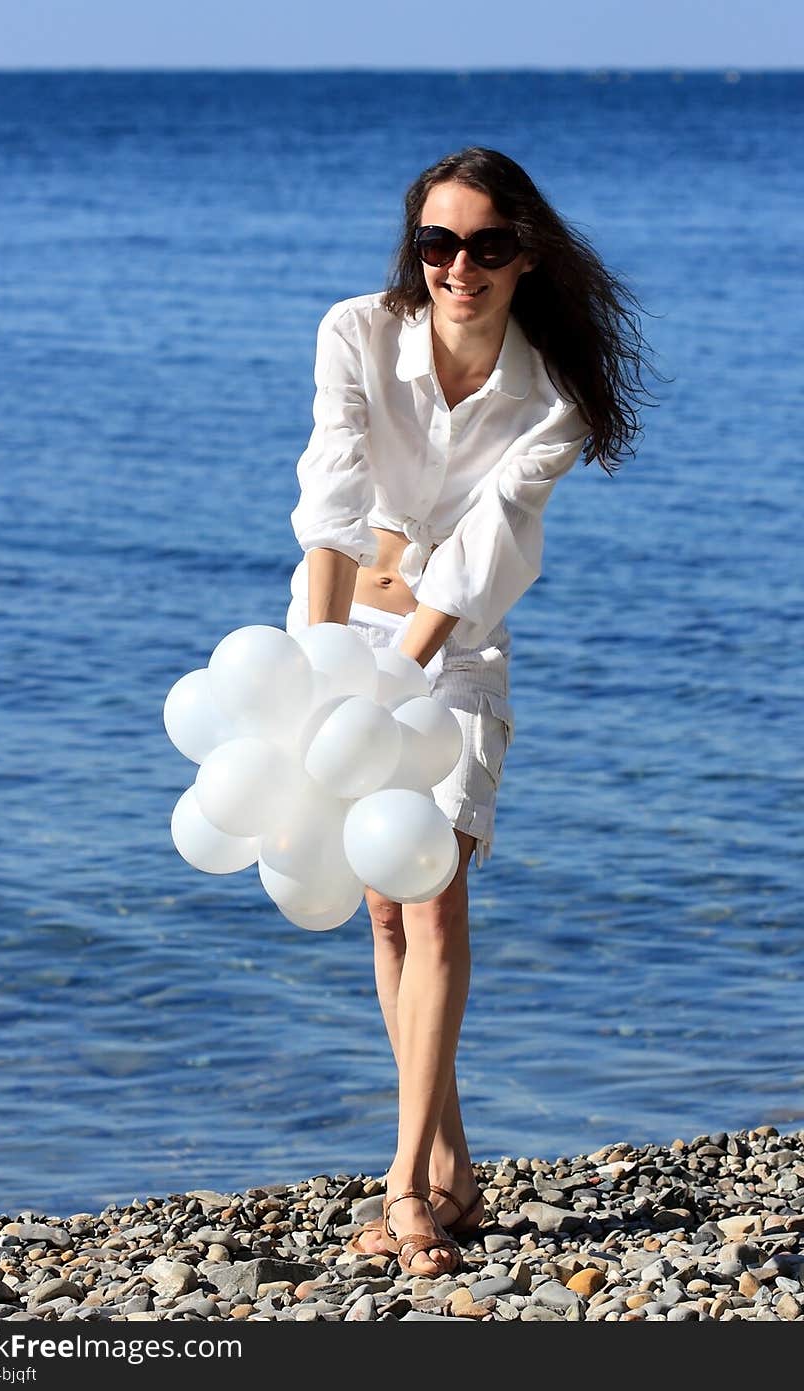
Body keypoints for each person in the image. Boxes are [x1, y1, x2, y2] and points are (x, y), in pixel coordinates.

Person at [284, 147, 653, 1277]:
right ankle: (448, 1154)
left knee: (431, 899)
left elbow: (480, 560)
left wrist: (400, 672)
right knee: (383, 915)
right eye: (438, 244)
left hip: (454, 648)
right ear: (417, 251)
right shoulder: (355, 330)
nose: (459, 267)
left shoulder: (551, 399)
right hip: (337, 627)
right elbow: (333, 504)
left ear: (523, 257)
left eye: (487, 246)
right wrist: (315, 670)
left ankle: (403, 1188)